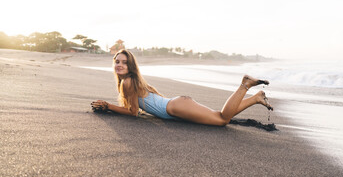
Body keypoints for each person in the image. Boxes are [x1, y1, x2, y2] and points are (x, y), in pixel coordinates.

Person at [91, 49, 273, 126]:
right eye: (117, 62)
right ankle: (256, 97)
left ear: (130, 66)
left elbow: (132, 112)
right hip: (176, 105)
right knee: (220, 116)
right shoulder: (131, 81)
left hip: (174, 107)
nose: (120, 65)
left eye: (124, 62)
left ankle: (244, 85)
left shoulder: (127, 82)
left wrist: (108, 106)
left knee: (222, 120)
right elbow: (134, 109)